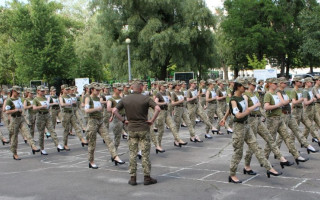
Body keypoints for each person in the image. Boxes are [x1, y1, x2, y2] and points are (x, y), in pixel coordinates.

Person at [220, 78, 282, 184]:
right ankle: (232, 174)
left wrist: (224, 118)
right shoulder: (234, 99)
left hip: (246, 126)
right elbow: (238, 114)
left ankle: (269, 168)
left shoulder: (241, 98)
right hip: (239, 128)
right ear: (238, 87)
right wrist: (250, 109)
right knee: (238, 153)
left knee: (256, 147)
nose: (246, 88)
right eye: (244, 87)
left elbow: (230, 109)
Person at [112, 80, 161, 186]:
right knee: (145, 154)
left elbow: (114, 110)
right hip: (143, 128)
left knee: (133, 153)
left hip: (132, 129)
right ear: (141, 88)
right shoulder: (146, 98)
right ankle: (147, 177)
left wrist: (123, 120)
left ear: (131, 88)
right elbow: (157, 108)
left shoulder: (125, 99)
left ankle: (133, 177)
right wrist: (152, 120)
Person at [263, 78, 309, 165]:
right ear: (269, 84)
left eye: (277, 84)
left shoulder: (276, 93)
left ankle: (296, 155)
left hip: (279, 117)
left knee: (287, 137)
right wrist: (278, 105)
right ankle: (264, 159)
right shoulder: (268, 94)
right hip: (272, 119)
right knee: (271, 140)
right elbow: (266, 107)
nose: (276, 85)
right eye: (274, 84)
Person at [85, 83, 124, 169]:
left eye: (99, 90)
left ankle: (115, 156)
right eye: (97, 90)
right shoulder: (88, 98)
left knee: (108, 139)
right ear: (92, 90)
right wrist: (96, 109)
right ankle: (91, 161)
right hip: (92, 121)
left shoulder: (98, 98)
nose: (98, 91)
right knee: (92, 143)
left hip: (100, 120)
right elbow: (86, 110)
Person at [5, 86, 40, 160]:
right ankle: (15, 153)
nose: (18, 94)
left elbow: (22, 108)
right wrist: (16, 110)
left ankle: (33, 146)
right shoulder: (9, 100)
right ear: (13, 91)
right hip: (14, 119)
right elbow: (7, 111)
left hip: (21, 118)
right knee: (14, 138)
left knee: (27, 132)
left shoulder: (19, 99)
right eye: (17, 92)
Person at [33, 85, 64, 155]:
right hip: (40, 115)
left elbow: (48, 104)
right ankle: (42, 148)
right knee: (41, 134)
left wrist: (50, 104)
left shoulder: (45, 98)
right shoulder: (36, 99)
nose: (43, 92)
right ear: (38, 91)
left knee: (52, 130)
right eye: (41, 91)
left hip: (47, 115)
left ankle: (57, 144)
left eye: (43, 91)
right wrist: (41, 106)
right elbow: (34, 108)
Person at [59, 84, 88, 150]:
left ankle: (82, 139)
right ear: (63, 90)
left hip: (71, 113)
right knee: (66, 130)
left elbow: (75, 101)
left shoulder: (69, 96)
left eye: (68, 89)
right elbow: (62, 104)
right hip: (65, 114)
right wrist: (68, 104)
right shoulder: (61, 97)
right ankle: (65, 144)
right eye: (66, 89)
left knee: (77, 127)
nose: (68, 90)